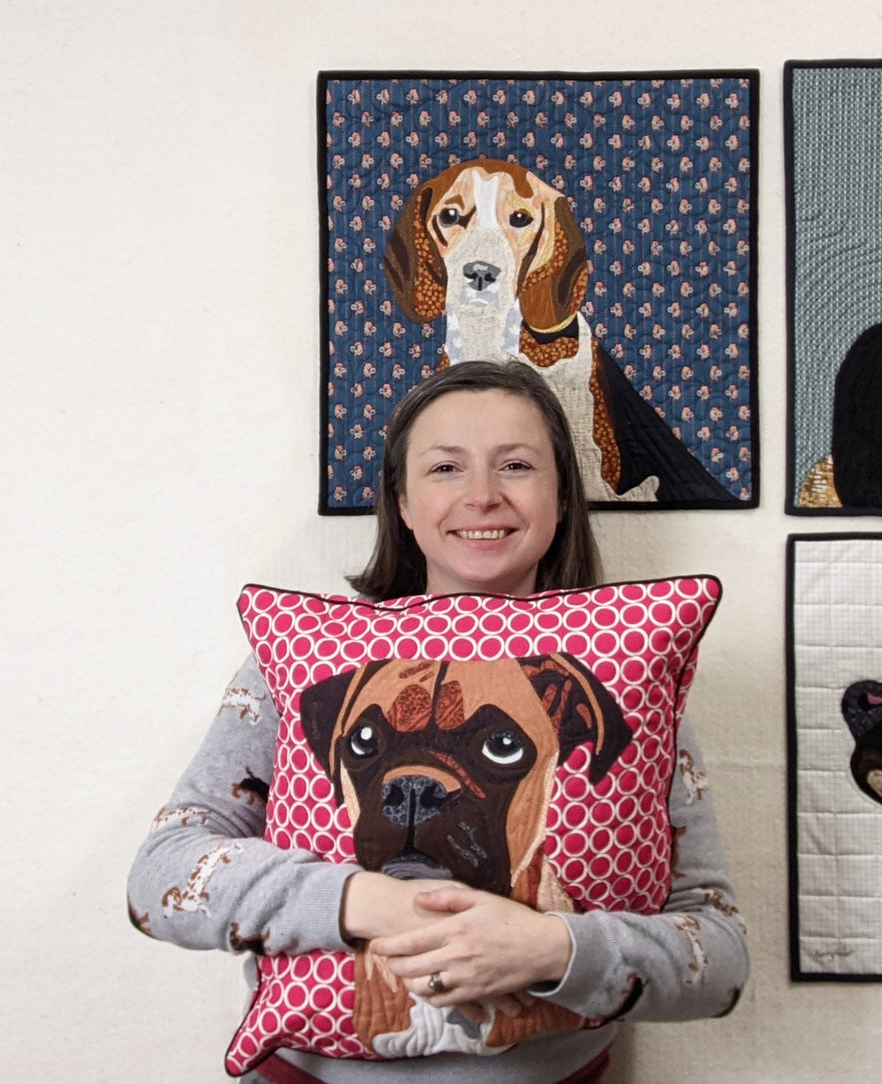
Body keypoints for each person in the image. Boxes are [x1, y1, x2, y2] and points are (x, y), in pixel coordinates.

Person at [128, 361, 748, 1083]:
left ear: (558, 500)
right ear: (403, 501)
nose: (480, 496)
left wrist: (553, 949)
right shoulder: (299, 662)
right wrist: (374, 903)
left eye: (515, 465)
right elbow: (162, 873)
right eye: (445, 467)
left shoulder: (629, 675)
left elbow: (720, 953)